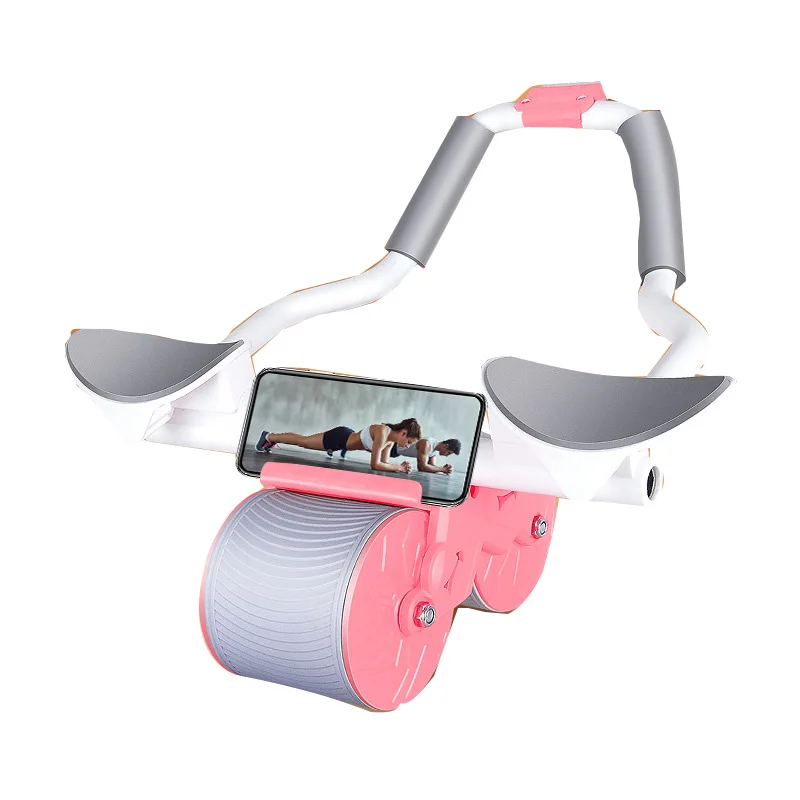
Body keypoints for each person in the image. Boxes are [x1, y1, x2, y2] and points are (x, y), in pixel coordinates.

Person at [255, 418, 422, 474]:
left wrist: (399, 466)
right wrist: (398, 468)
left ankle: (271, 438)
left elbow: (383, 465)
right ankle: (268, 436)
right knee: (304, 442)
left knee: (304, 441)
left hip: (344, 441)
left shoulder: (389, 442)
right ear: (404, 433)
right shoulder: (382, 432)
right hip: (340, 437)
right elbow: (375, 464)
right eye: (409, 442)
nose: (407, 446)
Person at [386, 437, 461, 474]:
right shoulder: (427, 443)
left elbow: (431, 467)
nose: (446, 455)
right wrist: (442, 469)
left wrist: (444, 468)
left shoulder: (434, 450)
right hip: (392, 446)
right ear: (446, 446)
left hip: (396, 452)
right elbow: (422, 467)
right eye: (448, 453)